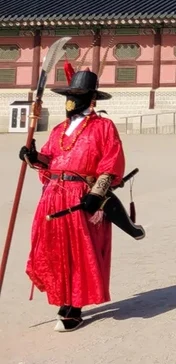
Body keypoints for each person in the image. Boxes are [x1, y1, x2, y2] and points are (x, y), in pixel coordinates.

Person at [21, 69, 126, 332]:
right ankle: (62, 298)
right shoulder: (59, 129)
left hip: (82, 196)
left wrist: (96, 193)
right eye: (69, 95)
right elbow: (50, 160)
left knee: (79, 251)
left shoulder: (104, 127)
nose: (71, 101)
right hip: (54, 194)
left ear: (91, 99)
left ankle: (74, 306)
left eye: (77, 96)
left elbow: (110, 164)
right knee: (54, 249)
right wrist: (34, 157)